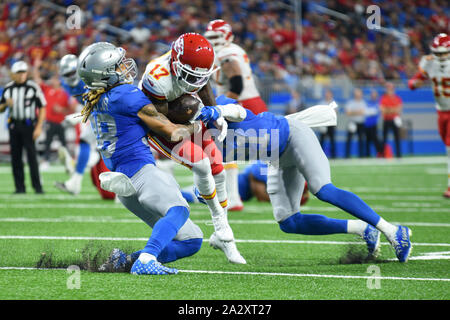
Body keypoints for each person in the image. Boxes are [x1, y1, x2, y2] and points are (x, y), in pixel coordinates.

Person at [197, 95, 413, 263]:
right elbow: (211, 175)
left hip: (292, 136)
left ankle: (393, 231)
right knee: (288, 222)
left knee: (323, 189)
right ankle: (362, 229)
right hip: (275, 159)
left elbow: (239, 112)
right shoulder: (194, 141)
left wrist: (217, 110)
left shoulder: (212, 106)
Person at [77, 42, 203, 275]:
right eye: (118, 65)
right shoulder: (126, 94)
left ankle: (125, 260)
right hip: (141, 173)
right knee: (179, 210)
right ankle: (146, 260)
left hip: (125, 185)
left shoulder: (96, 98)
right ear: (105, 74)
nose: (125, 66)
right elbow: (172, 132)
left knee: (191, 240)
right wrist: (199, 122)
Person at [138, 33, 245, 264]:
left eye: (198, 76)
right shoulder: (157, 77)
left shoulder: (195, 71)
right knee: (201, 162)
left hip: (187, 117)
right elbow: (161, 120)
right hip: (161, 124)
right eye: (189, 75)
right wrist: (192, 118)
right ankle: (220, 222)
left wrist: (214, 113)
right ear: (176, 64)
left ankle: (223, 236)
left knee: (218, 165)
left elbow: (203, 85)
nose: (193, 82)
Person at [205, 19, 269, 212]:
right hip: (252, 102)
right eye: (211, 37)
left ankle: (232, 197)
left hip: (242, 105)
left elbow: (237, 84)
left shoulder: (226, 53)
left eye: (217, 36)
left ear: (227, 36)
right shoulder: (234, 49)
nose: (214, 41)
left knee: (224, 150)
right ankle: (233, 197)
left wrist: (221, 106)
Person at [54, 54, 115, 200]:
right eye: (66, 74)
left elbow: (99, 104)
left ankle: (75, 169)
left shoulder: (88, 79)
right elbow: (83, 104)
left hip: (108, 111)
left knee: (92, 143)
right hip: (95, 112)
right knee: (87, 142)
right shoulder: (65, 84)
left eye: (72, 72)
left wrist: (76, 118)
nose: (69, 76)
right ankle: (76, 177)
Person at [409, 33, 450, 198]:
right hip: (440, 110)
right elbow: (413, 83)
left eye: (443, 53)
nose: (440, 57)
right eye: (437, 53)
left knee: (449, 149)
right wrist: (415, 83)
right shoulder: (428, 62)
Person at [0, 61, 46, 194]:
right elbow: (0, 108)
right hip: (14, 125)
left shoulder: (33, 87)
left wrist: (39, 127)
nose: (21, 75)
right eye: (19, 73)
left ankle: (37, 187)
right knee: (16, 157)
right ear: (13, 74)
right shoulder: (8, 88)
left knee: (32, 157)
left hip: (29, 125)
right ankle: (19, 188)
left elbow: (42, 106)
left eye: (23, 72)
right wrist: (5, 105)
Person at [181, 161, 310, 205]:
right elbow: (260, 195)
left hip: (232, 192)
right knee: (187, 196)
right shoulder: (263, 168)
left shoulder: (274, 171)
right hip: (224, 188)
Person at [32, 59, 77, 169]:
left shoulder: (65, 93)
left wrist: (61, 110)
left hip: (61, 122)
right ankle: (45, 161)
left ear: (59, 81)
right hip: (50, 121)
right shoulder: (47, 89)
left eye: (55, 79)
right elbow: (37, 80)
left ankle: (67, 161)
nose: (53, 80)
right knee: (47, 142)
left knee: (63, 143)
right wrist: (36, 67)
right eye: (53, 78)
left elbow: (71, 110)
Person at [380, 82, 403, 158]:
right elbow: (383, 110)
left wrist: (388, 109)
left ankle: (398, 155)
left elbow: (399, 110)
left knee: (397, 138)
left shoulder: (397, 98)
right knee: (384, 138)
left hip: (395, 120)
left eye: (391, 88)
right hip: (386, 120)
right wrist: (393, 109)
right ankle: (383, 154)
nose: (390, 90)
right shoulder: (383, 98)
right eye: (388, 88)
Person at [344, 88, 367, 158]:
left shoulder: (363, 102)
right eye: (356, 93)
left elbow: (363, 112)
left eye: (359, 93)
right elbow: (348, 112)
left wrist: (353, 112)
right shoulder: (350, 102)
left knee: (361, 140)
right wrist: (358, 112)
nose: (358, 95)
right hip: (352, 123)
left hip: (360, 123)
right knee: (349, 140)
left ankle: (361, 155)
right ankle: (347, 156)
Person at [364, 90, 383, 157]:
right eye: (372, 95)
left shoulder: (378, 103)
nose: (373, 97)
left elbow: (375, 112)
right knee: (367, 140)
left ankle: (380, 153)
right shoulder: (368, 103)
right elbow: (365, 112)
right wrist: (370, 112)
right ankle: (367, 155)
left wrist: (370, 112)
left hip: (374, 124)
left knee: (375, 140)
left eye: (374, 95)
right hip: (367, 124)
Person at [318, 89, 337, 159]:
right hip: (323, 123)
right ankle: (320, 156)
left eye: (329, 94)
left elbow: (334, 113)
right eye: (326, 94)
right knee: (322, 141)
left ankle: (334, 156)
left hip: (331, 124)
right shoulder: (322, 102)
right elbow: (319, 113)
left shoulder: (333, 103)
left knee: (332, 140)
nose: (327, 95)